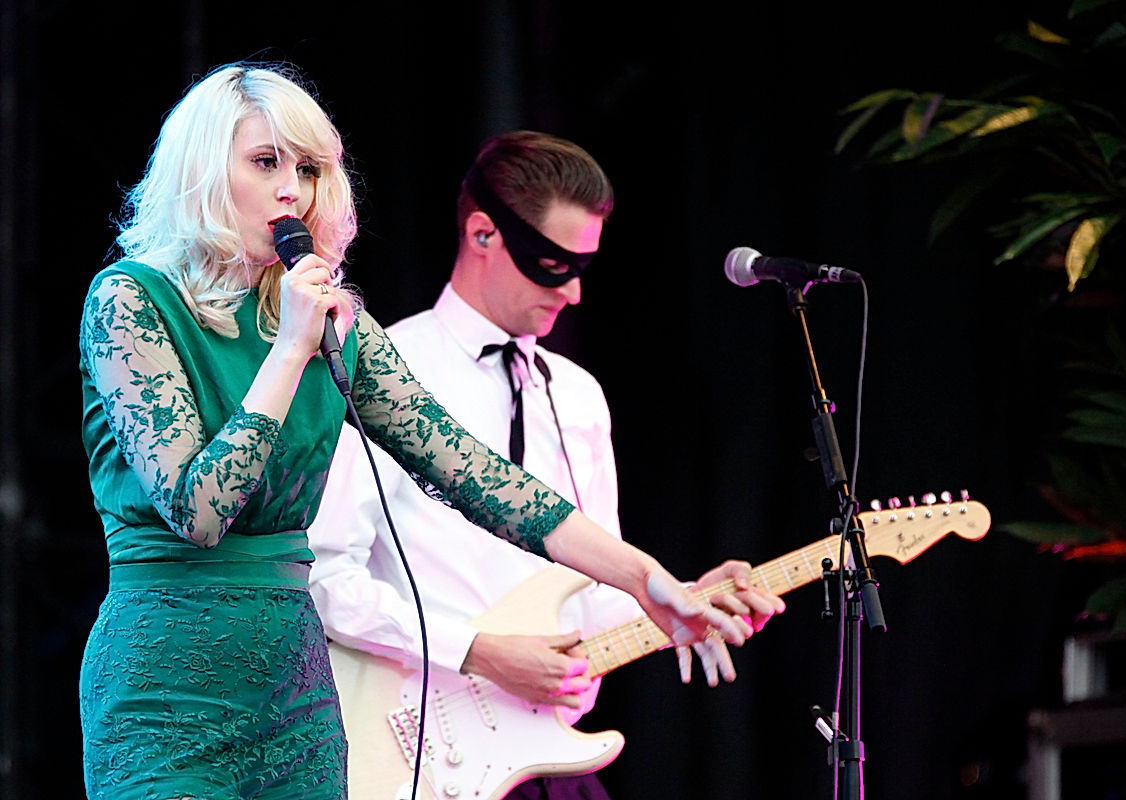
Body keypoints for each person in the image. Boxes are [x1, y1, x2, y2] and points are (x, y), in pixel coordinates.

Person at [77, 65, 757, 800]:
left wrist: (646, 578)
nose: (292, 191)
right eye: (266, 162)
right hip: (167, 687)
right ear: (205, 167)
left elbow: (481, 476)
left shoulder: (335, 325)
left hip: (293, 695)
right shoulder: (131, 301)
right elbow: (199, 510)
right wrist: (289, 350)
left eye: (308, 169)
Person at [307, 131, 785, 800]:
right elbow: (325, 578)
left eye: (583, 266)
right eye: (553, 264)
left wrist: (683, 600)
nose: (575, 292)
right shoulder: (387, 372)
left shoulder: (579, 395)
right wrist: (478, 652)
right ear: (482, 234)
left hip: (548, 758)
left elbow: (596, 599)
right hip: (423, 756)